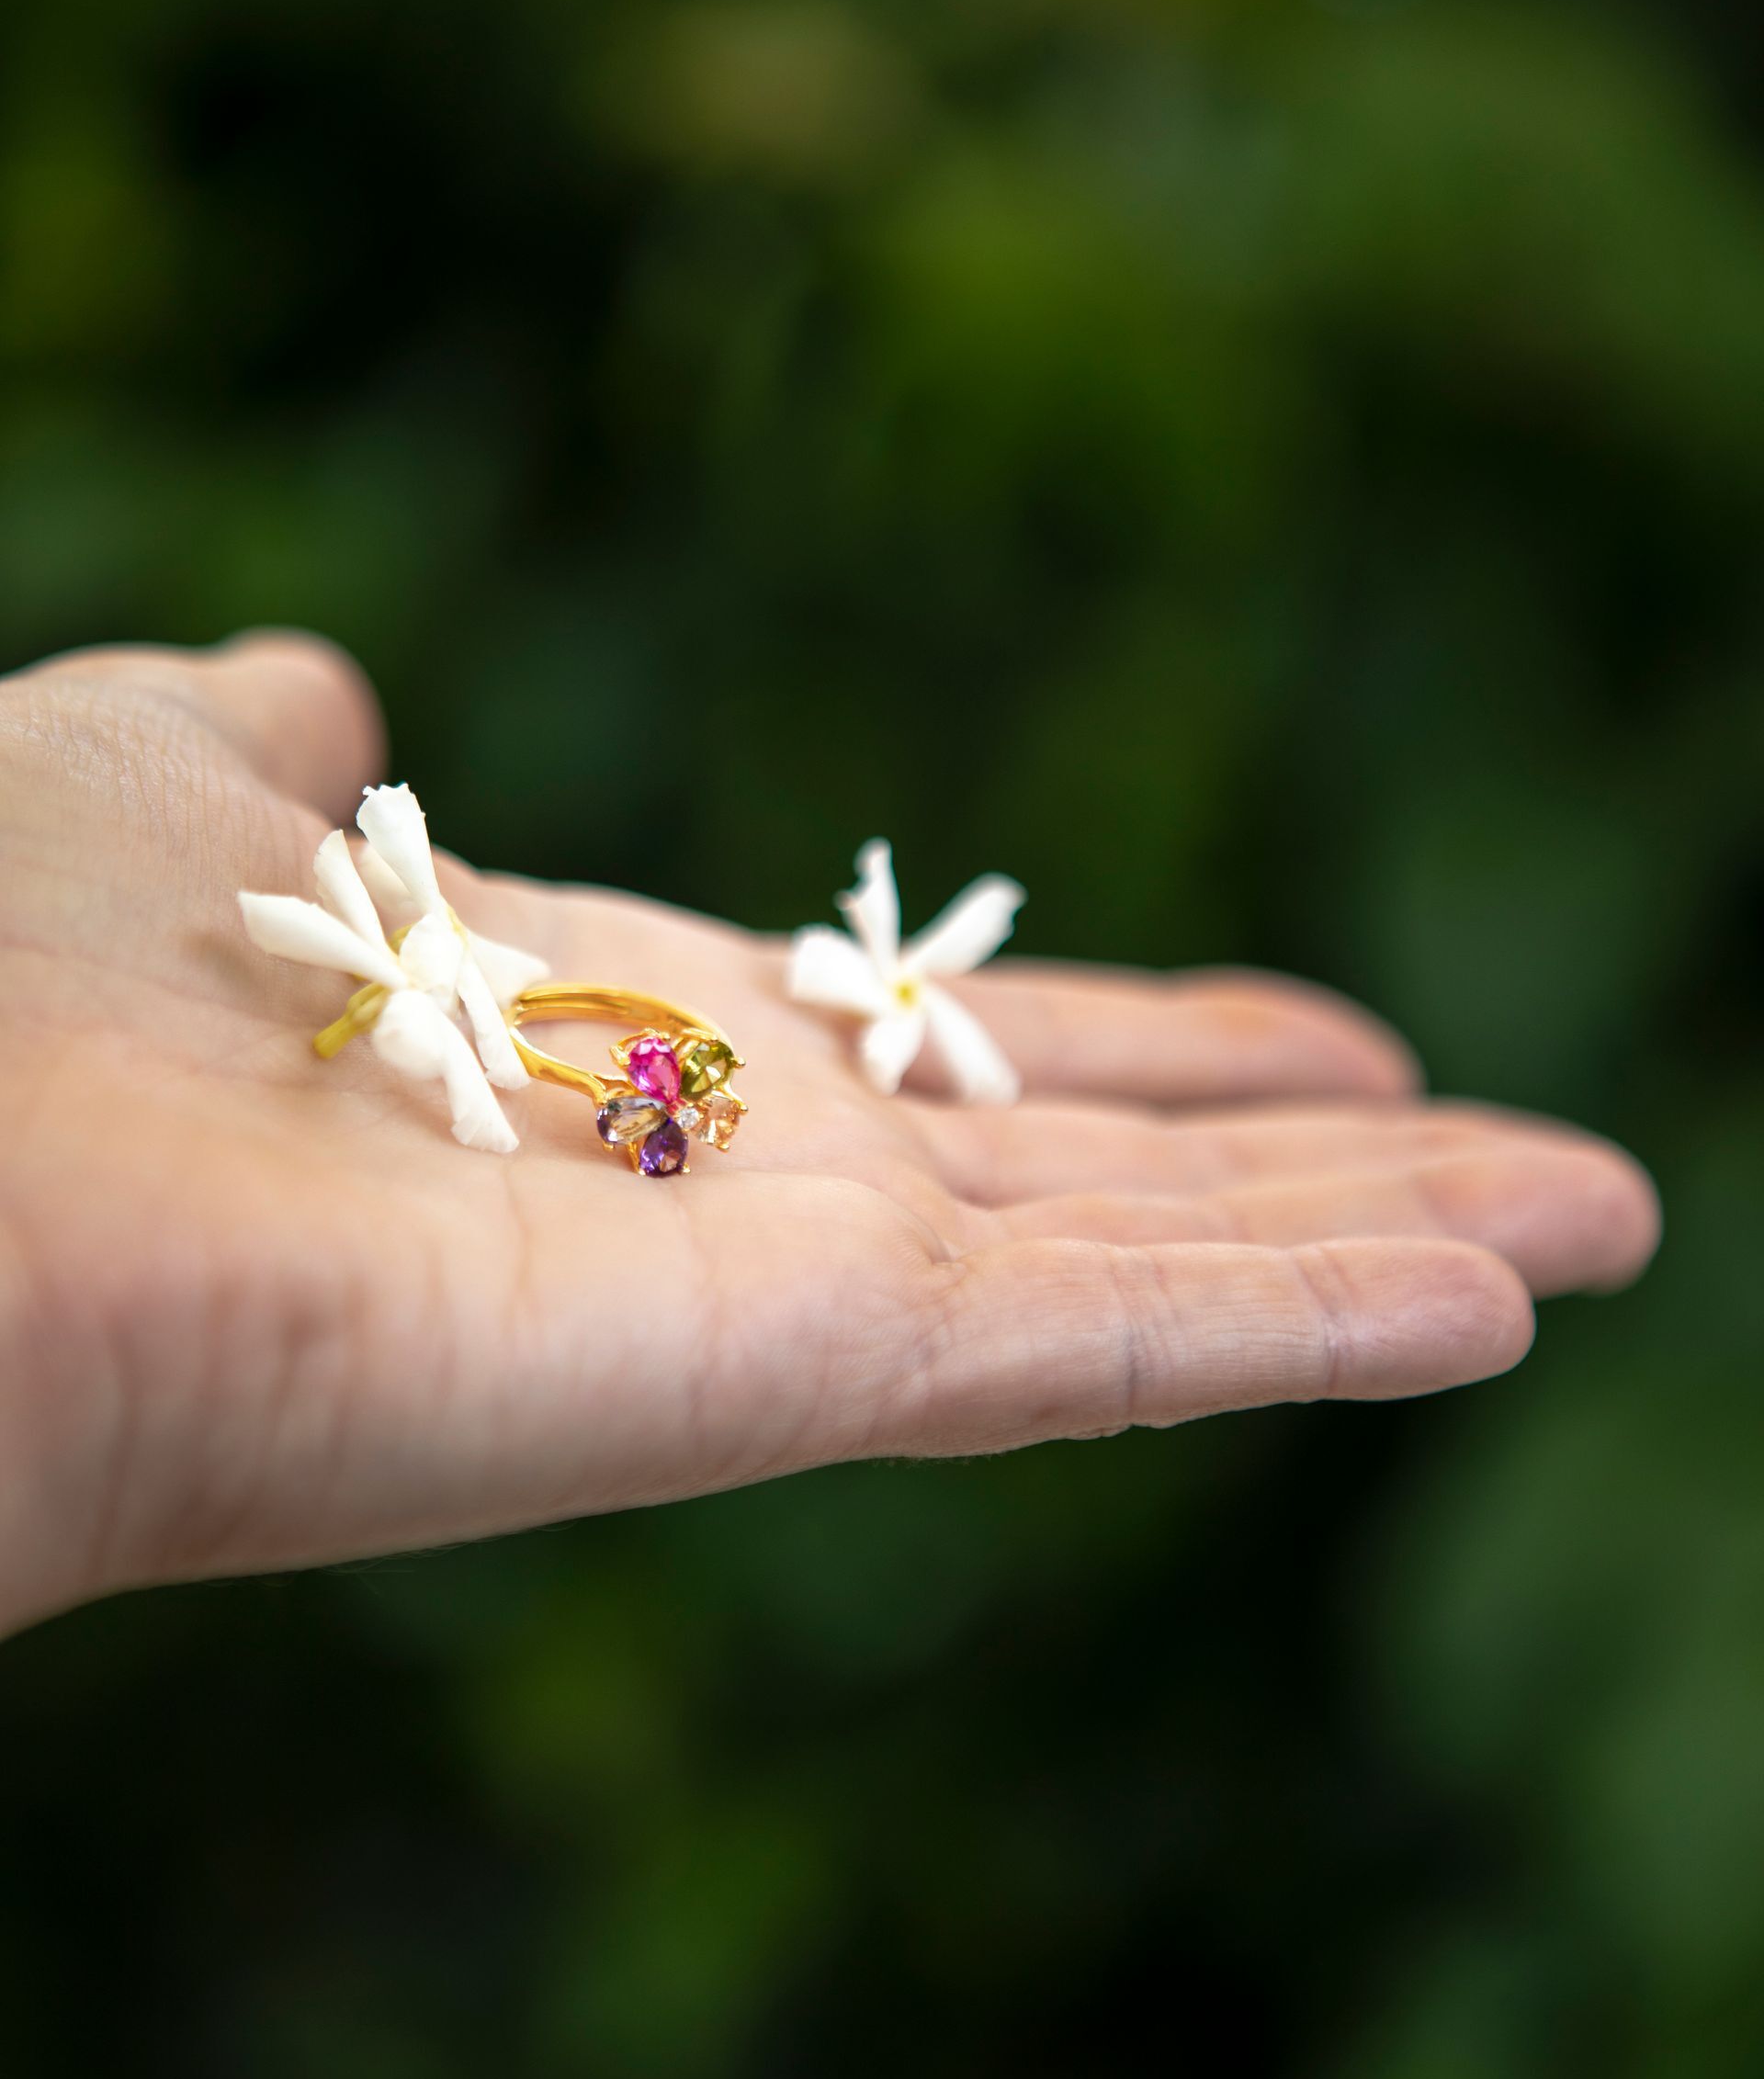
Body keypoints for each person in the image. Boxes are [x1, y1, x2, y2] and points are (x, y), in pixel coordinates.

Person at [0, 633, 1659, 1638]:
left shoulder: (561, 1040)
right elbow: (519, 1033)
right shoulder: (424, 992)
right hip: (480, 1020)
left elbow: (587, 1048)